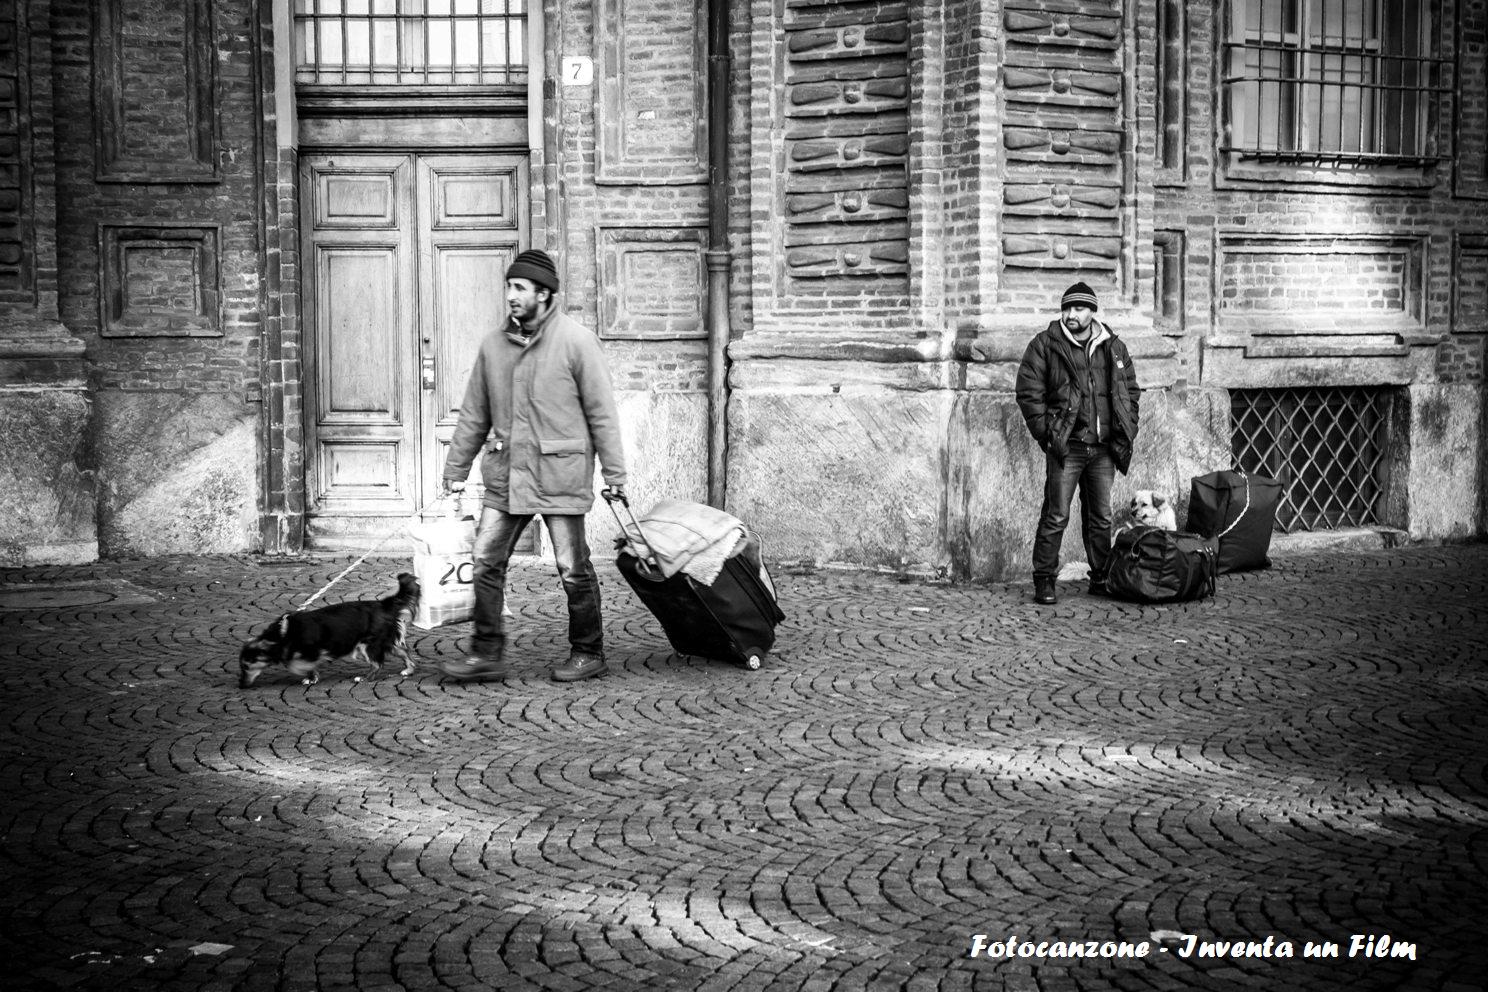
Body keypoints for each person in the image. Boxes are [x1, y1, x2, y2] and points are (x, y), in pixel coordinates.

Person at [437, 249, 628, 683]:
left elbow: (602, 414)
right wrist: (454, 472)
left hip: (560, 475)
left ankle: (588, 651)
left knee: (572, 567)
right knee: (485, 560)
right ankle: (486, 652)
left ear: (544, 294)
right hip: (508, 476)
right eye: (508, 286)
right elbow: (473, 415)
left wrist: (615, 476)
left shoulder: (577, 342)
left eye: (519, 287)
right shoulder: (493, 346)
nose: (510, 295)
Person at [1015, 281, 1140, 605]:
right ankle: (1045, 580)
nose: (1071, 314)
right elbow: (1029, 393)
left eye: (1079, 308)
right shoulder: (1045, 345)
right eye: (1067, 308)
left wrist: (1127, 427)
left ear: (1092, 312)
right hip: (1067, 446)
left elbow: (1130, 391)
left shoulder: (1113, 347)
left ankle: (1100, 577)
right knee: (1056, 514)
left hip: (1102, 449)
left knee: (1100, 516)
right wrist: (1049, 434)